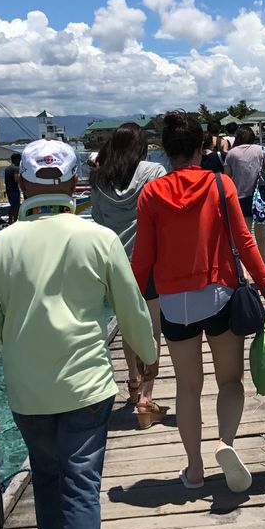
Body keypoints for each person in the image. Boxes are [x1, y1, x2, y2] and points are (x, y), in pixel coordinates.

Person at [0, 139, 158, 529]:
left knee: (47, 475)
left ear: (22, 182)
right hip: (87, 388)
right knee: (81, 490)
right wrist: (149, 355)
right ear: (73, 184)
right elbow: (131, 308)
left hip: (28, 395)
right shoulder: (99, 239)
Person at [132, 111, 265, 491]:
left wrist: (130, 304)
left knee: (187, 388)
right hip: (218, 296)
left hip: (174, 305)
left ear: (166, 151)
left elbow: (143, 258)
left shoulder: (151, 194)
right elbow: (245, 240)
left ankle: (194, 469)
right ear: (202, 147)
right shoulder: (219, 184)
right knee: (229, 381)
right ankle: (224, 444)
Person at [89, 122, 168, 428]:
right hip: (148, 262)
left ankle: (133, 381)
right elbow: (163, 215)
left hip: (114, 263)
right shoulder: (154, 172)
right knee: (152, 328)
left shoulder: (100, 178)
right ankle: (147, 396)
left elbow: (97, 220)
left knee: (126, 326)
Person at [223, 126, 265, 266]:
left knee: (245, 238)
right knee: (262, 238)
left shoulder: (231, 153)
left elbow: (226, 178)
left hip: (240, 197)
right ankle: (264, 270)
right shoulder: (262, 150)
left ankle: (247, 270)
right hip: (262, 195)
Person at [4, 153, 22, 222]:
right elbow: (16, 179)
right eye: (20, 160)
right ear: (17, 160)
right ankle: (15, 220)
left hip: (8, 190)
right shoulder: (16, 168)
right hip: (14, 190)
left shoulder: (7, 169)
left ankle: (10, 220)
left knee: (13, 206)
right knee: (16, 206)